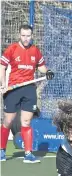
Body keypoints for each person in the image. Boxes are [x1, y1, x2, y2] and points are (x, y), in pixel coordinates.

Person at [0, 24, 54, 163]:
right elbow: (2, 67)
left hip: (29, 89)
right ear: (19, 35)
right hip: (13, 89)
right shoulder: (12, 49)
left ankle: (28, 154)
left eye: (28, 36)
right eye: (23, 35)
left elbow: (41, 67)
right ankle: (2, 151)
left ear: (31, 36)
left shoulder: (35, 50)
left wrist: (46, 72)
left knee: (26, 121)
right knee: (8, 121)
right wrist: (3, 84)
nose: (25, 38)